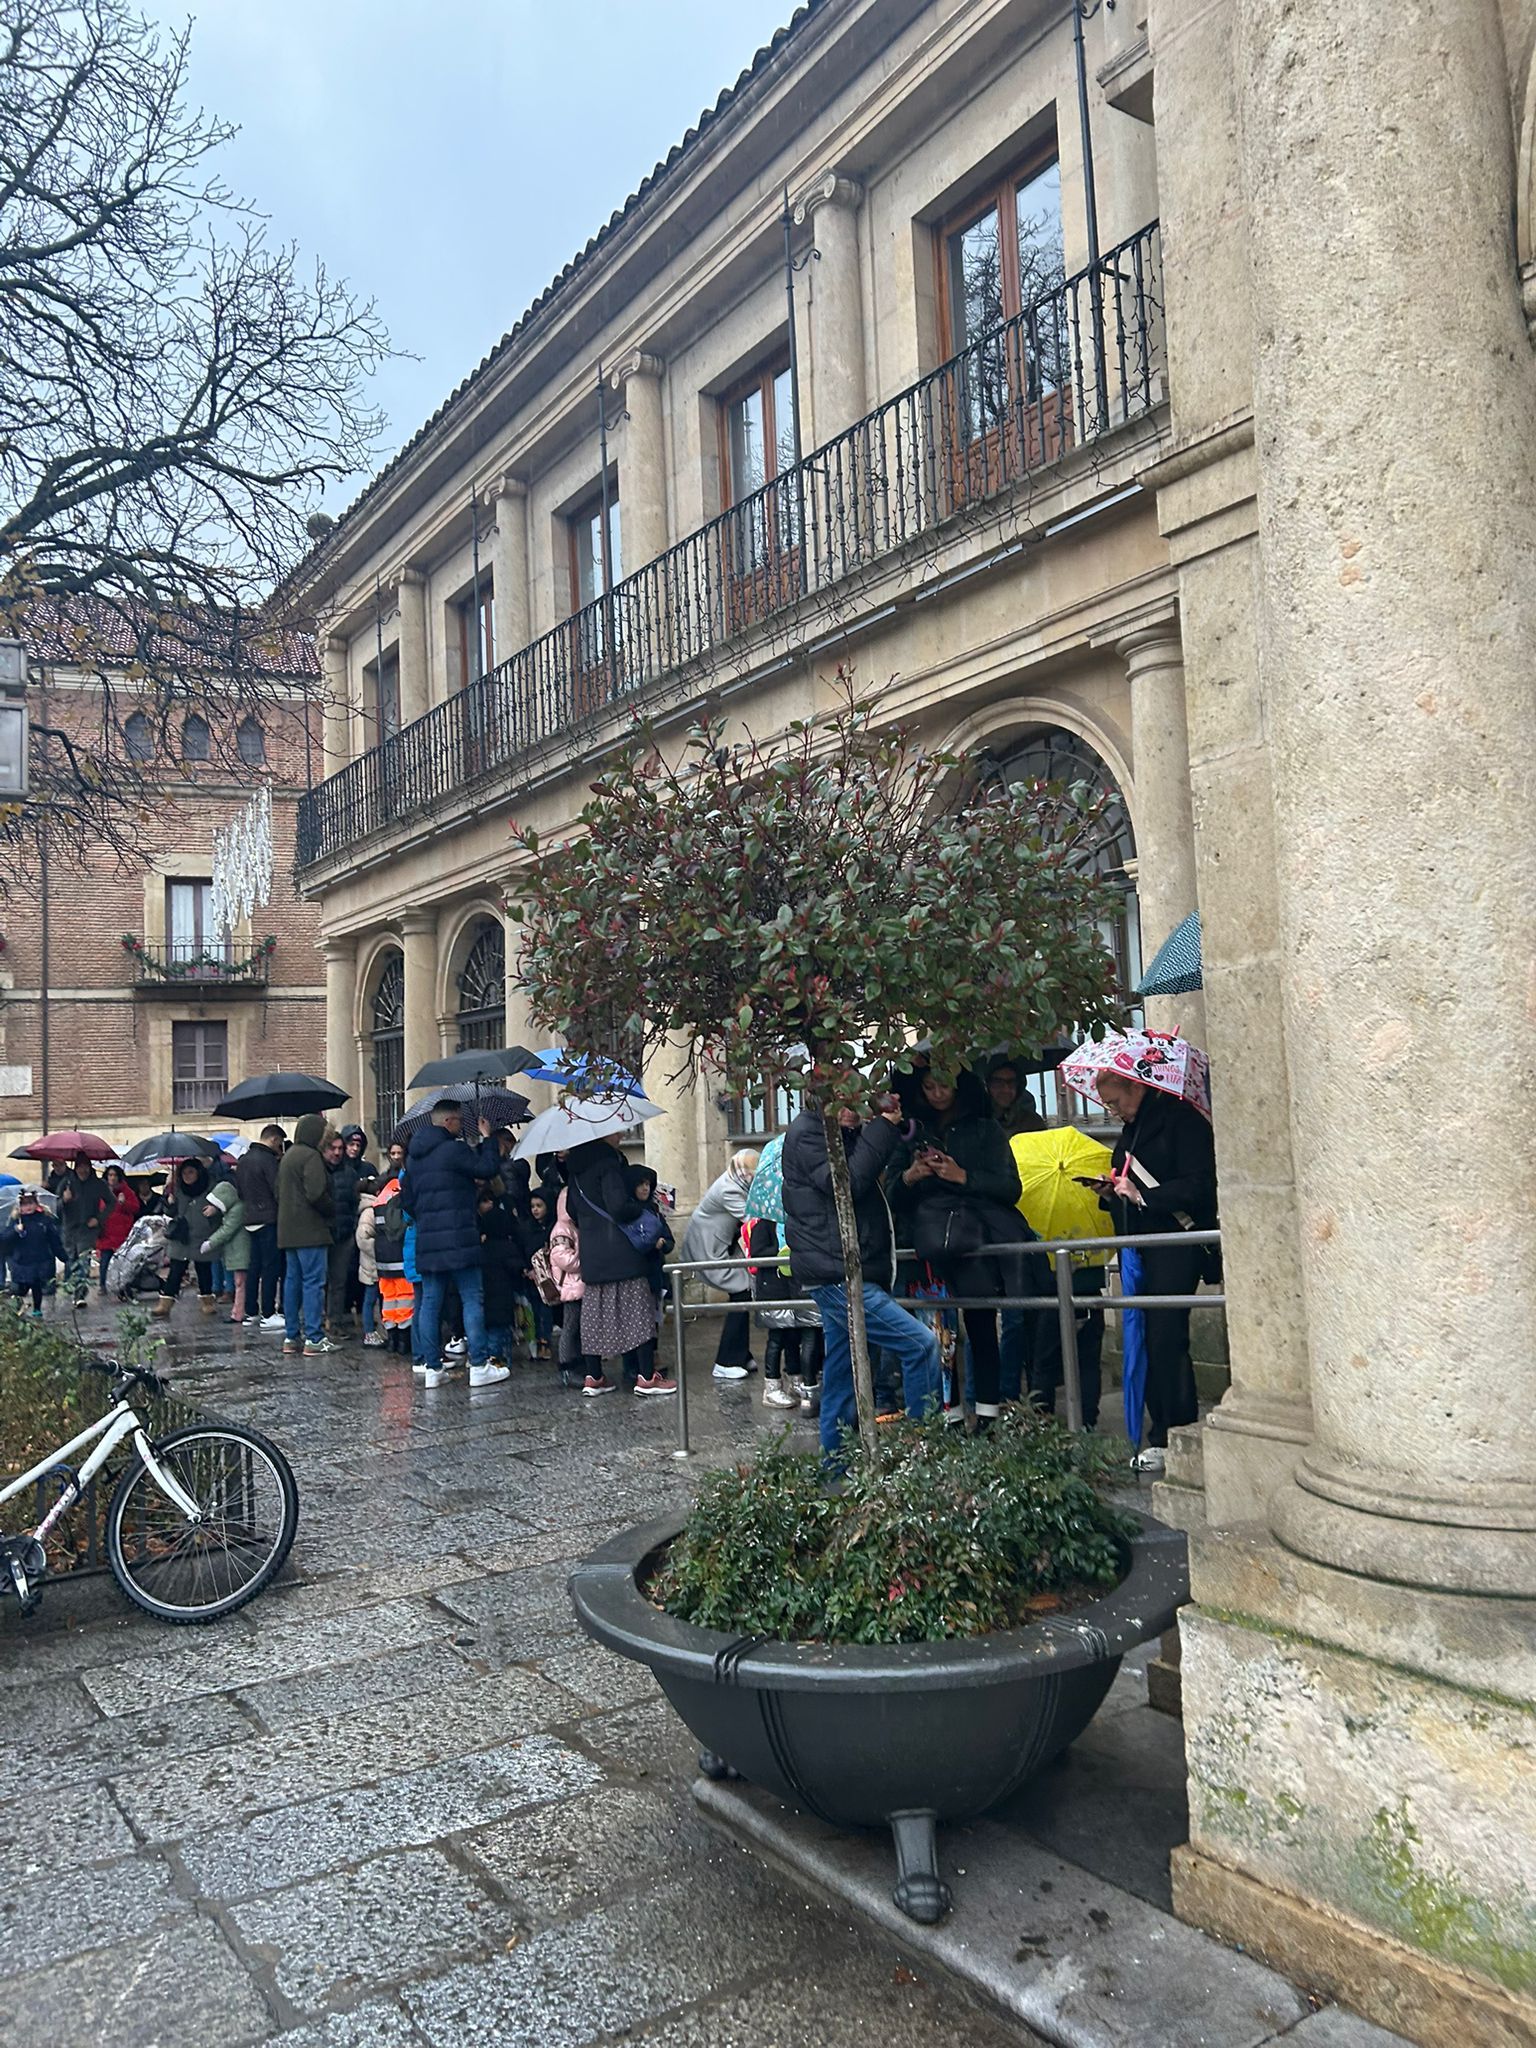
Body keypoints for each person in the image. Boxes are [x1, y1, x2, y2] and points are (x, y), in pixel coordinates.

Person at [782, 1095, 941, 1460]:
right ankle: (924, 1458)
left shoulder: (841, 1133)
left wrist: (892, 1130)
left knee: (844, 1374)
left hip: (849, 1269)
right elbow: (849, 1183)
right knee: (921, 1346)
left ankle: (835, 1465)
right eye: (843, 1099)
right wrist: (883, 1127)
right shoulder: (808, 1133)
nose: (854, 1109)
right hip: (837, 1273)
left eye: (857, 1098)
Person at [892, 1067, 1040, 1427]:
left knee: (982, 1325)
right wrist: (911, 1175)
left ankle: (987, 1414)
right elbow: (891, 1194)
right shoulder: (911, 1129)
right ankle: (950, 1416)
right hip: (925, 1244)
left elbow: (1010, 1188)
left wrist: (963, 1177)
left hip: (974, 1243)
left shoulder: (986, 1128)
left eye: (944, 1085)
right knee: (938, 1331)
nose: (937, 1094)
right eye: (929, 1087)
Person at [1091, 1070, 1218, 1473]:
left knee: (1166, 1334)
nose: (1113, 1112)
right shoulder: (1131, 1131)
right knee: (1144, 1334)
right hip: (1140, 1244)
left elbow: (1201, 1184)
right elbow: (1125, 1183)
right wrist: (1111, 1193)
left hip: (1176, 1243)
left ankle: (1175, 1428)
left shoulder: (1181, 1120)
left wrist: (1145, 1196)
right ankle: (1157, 1425)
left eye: (1116, 1101)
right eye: (1106, 1105)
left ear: (1137, 1086)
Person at [398, 1099, 509, 1389]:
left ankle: (432, 1368)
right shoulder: (453, 1150)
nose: (461, 1125)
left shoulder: (414, 1159)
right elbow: (486, 1168)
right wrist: (487, 1138)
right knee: (472, 1298)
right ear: (447, 1122)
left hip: (429, 1240)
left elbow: (407, 1201)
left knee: (430, 1304)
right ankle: (480, 1365)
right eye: (459, 1120)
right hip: (460, 1237)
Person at [566, 1135, 674, 1396]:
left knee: (593, 1318)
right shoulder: (607, 1163)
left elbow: (571, 1210)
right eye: (617, 1132)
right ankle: (647, 1377)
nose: (622, 1136)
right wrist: (639, 1209)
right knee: (639, 1314)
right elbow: (618, 1207)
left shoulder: (576, 1169)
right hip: (620, 1253)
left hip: (592, 1254)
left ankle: (594, 1377)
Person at [681, 1151, 760, 1380]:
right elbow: (751, 1219)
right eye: (749, 1171)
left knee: (744, 1294)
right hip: (709, 1248)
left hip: (721, 1244)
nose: (751, 1175)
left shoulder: (734, 1182)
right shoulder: (730, 1189)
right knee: (741, 1293)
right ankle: (725, 1361)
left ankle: (740, 1354)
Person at [744, 1212, 821, 1411]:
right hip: (773, 1289)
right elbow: (757, 1253)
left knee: (794, 1335)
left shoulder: (796, 1220)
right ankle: (771, 1385)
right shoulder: (764, 1224)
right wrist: (780, 1250)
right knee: (776, 1338)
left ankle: (796, 1378)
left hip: (794, 1287)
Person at [276, 1113, 336, 1357]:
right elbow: (316, 1193)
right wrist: (331, 1209)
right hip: (311, 1231)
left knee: (292, 1283)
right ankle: (314, 1337)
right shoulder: (311, 1156)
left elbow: (278, 1192)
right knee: (313, 1283)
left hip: (288, 1231)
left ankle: (291, 1336)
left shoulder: (287, 1157)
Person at [237, 1124, 286, 1331]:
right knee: (270, 1267)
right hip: (268, 1218)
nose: (280, 1149)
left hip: (249, 1218)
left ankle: (251, 1312)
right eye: (280, 1144)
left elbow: (239, 1191)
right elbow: (278, 1189)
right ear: (274, 1140)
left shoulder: (243, 1160)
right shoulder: (267, 1160)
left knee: (254, 1266)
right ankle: (268, 1313)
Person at [154, 1156, 216, 1320]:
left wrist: (214, 1210)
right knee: (176, 1270)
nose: (187, 1176)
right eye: (184, 1173)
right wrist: (170, 1202)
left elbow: (220, 1205)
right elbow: (169, 1213)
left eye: (191, 1172)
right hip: (182, 1235)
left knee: (204, 1269)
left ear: (198, 1173)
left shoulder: (209, 1187)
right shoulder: (177, 1189)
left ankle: (207, 1301)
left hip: (202, 1234)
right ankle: (165, 1303)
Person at [323, 1129, 369, 1337]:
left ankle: (336, 1320)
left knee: (339, 1280)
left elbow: (354, 1202)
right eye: (333, 1148)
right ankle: (320, 1319)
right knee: (320, 1281)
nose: (338, 1152)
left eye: (340, 1148)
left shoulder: (349, 1173)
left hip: (343, 1234)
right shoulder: (319, 1170)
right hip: (322, 1234)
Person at [51, 1155, 110, 1306]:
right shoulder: (67, 1183)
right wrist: (64, 1200)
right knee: (72, 1260)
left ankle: (80, 1294)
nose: (83, 1170)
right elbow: (54, 1207)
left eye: (85, 1167)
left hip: (87, 1230)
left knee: (84, 1261)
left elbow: (112, 1203)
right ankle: (72, 1288)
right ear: (76, 1168)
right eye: (80, 1167)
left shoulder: (98, 1184)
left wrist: (99, 1218)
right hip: (69, 1229)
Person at [1, 1190, 64, 1316]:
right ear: (20, 1207)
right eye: (24, 1204)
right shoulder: (16, 1221)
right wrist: (15, 1231)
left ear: (36, 1204)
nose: (28, 1207)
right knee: (20, 1287)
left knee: (36, 1285)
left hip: (39, 1259)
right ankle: (18, 1308)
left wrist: (62, 1256)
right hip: (21, 1261)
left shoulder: (44, 1220)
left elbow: (54, 1239)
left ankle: (37, 1308)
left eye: (30, 1203)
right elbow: (5, 1239)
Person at [198, 1180, 250, 1325]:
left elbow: (227, 1230)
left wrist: (211, 1242)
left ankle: (238, 1313)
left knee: (240, 1282)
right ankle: (238, 1311)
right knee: (240, 1282)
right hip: (237, 1251)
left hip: (240, 1251)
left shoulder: (236, 1210)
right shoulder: (234, 1208)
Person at [95, 1166, 141, 1295]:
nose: (112, 1178)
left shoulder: (127, 1192)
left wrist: (124, 1203)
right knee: (104, 1261)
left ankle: (124, 1285)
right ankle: (102, 1285)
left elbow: (136, 1208)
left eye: (115, 1175)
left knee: (124, 1263)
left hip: (122, 1234)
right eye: (110, 1175)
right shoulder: (101, 1192)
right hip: (106, 1233)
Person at [525, 1189, 556, 1358]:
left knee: (545, 1310)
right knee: (536, 1310)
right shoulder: (528, 1228)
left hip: (548, 1277)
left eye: (539, 1206)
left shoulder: (553, 1227)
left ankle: (545, 1342)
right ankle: (538, 1342)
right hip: (532, 1276)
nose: (535, 1210)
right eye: (532, 1206)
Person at [986, 1057, 1047, 1138]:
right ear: (987, 1086)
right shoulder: (976, 1123)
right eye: (998, 1083)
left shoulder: (1032, 1122)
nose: (1006, 1090)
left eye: (1011, 1083)